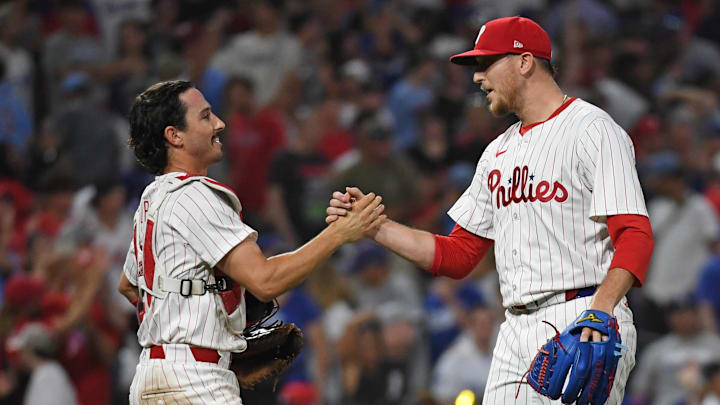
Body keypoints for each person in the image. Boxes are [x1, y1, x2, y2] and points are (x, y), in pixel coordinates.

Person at [327, 16, 654, 404]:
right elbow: (458, 255)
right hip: (514, 328)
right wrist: (374, 227)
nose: (477, 77)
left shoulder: (592, 129)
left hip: (581, 314)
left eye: (486, 64)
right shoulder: (497, 152)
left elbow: (634, 235)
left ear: (525, 62)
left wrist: (601, 311)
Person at [117, 80, 385, 405]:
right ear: (174, 136)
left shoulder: (154, 197)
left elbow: (130, 286)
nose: (220, 123)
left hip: (153, 373)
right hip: (195, 380)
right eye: (205, 117)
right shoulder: (197, 194)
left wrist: (187, 316)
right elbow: (266, 281)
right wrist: (339, 233)